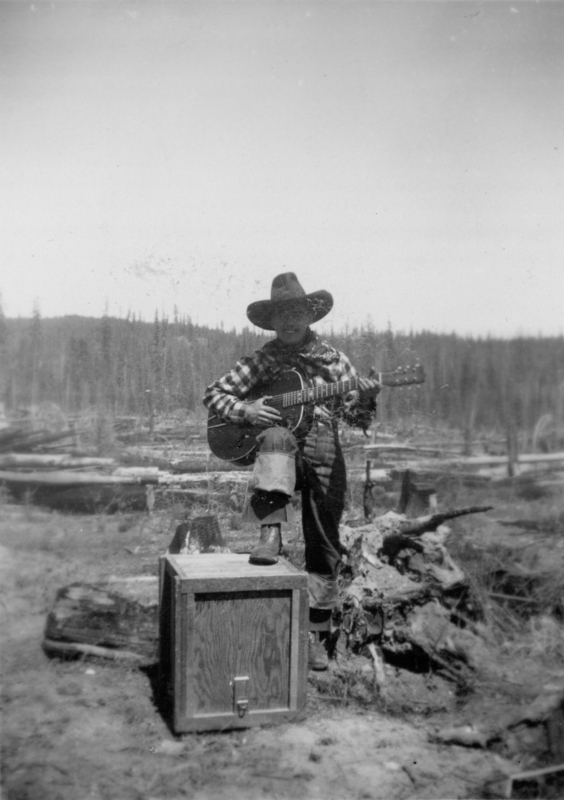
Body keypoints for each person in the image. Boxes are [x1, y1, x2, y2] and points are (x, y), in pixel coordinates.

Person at [203, 273, 380, 669]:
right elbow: (213, 394)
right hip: (278, 453)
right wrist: (246, 409)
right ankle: (270, 534)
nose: (289, 321)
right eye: (281, 314)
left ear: (309, 315)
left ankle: (316, 633)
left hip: (322, 448)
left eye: (296, 312)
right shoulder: (262, 360)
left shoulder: (334, 361)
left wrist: (367, 399)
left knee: (324, 542)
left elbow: (356, 418)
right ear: (272, 321)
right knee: (276, 436)